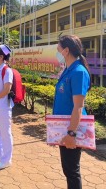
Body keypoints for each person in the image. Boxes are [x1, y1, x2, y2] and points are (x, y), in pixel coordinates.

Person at [53, 35, 91, 189]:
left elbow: (78, 107)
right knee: (68, 170)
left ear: (66, 51)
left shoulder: (78, 72)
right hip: (64, 126)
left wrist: (71, 134)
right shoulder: (68, 70)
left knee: (72, 171)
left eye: (58, 49)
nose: (57, 52)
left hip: (71, 129)